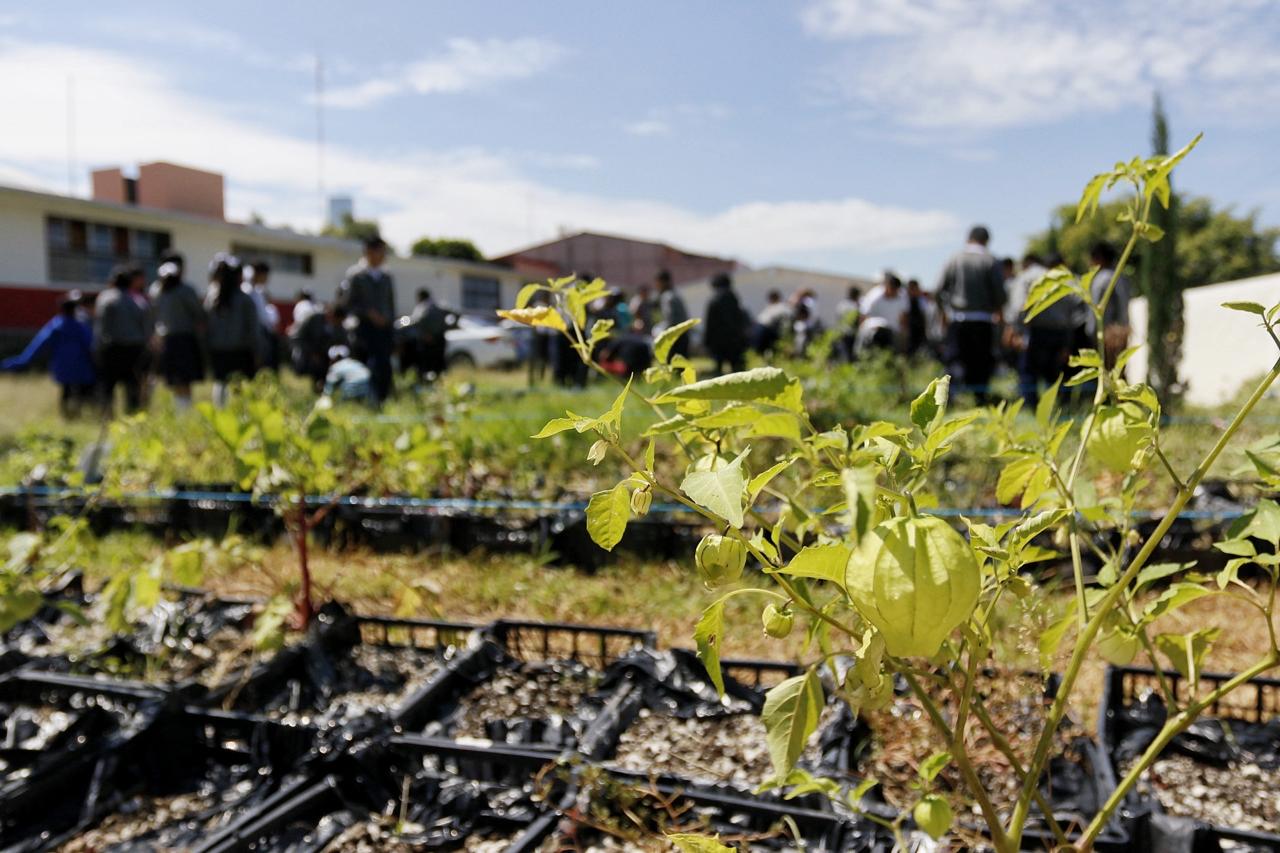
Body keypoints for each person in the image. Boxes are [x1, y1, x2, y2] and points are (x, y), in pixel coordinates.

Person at [936, 225, 1007, 403]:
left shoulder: (955, 259)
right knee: (981, 363)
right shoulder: (991, 260)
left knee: (955, 361)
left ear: (968, 238)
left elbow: (938, 289)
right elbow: (1000, 294)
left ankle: (948, 400)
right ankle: (980, 398)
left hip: (959, 319)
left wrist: (943, 312)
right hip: (984, 321)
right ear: (987, 241)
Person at [2, 290, 95, 417]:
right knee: (81, 392)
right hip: (82, 365)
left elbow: (39, 345)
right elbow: (90, 344)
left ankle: (66, 415)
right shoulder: (81, 326)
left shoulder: (56, 325)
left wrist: (20, 361)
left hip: (63, 366)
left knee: (66, 391)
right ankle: (78, 413)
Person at [1010, 252, 1080, 406]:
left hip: (1036, 331)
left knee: (1029, 372)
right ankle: (1058, 407)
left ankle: (1031, 407)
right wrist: (1068, 343)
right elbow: (1074, 313)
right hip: (1060, 333)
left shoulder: (1028, 277)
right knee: (1055, 374)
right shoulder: (1065, 280)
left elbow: (1018, 307)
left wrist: (1016, 330)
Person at [338, 236, 396, 403]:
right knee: (362, 365)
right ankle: (359, 400)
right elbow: (347, 303)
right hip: (363, 329)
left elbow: (391, 304)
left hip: (383, 330)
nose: (383, 256)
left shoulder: (387, 277)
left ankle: (382, 399)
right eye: (380, 252)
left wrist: (389, 323)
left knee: (384, 366)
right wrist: (368, 313)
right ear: (369, 252)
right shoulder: (356, 275)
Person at [93, 265, 151, 414]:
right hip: (135, 349)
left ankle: (107, 416)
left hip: (112, 348)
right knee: (132, 385)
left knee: (108, 386)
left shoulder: (105, 298)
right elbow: (145, 327)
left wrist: (97, 347)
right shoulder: (138, 301)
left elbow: (101, 326)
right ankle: (133, 415)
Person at [203, 254, 259, 408]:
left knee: (220, 383)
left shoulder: (212, 299)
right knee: (240, 386)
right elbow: (253, 330)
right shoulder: (245, 299)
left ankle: (221, 414)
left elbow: (207, 328)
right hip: (241, 351)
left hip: (218, 350)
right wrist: (258, 351)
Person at [151, 260, 205, 409]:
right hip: (183, 339)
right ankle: (183, 409)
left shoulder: (157, 292)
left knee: (178, 379)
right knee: (182, 379)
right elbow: (199, 313)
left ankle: (182, 409)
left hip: (172, 339)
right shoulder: (185, 290)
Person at [1087, 241, 1132, 370]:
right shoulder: (1121, 277)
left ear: (1099, 259)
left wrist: (1092, 332)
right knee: (1118, 373)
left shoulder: (1102, 279)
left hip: (1107, 335)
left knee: (1106, 374)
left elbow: (1095, 311)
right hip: (1119, 334)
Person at [703, 273, 749, 375]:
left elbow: (710, 323)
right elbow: (740, 319)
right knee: (738, 371)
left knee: (718, 371)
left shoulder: (714, 300)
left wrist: (706, 341)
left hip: (718, 341)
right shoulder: (734, 298)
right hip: (735, 340)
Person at [408, 288, 454, 379]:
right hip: (440, 339)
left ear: (420, 297)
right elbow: (450, 319)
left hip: (426, 340)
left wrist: (425, 334)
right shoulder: (440, 306)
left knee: (425, 365)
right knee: (439, 364)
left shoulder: (421, 307)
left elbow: (416, 321)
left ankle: (426, 382)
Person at [243, 261, 280, 373]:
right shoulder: (247, 290)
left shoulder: (258, 291)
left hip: (262, 333)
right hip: (253, 334)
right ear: (258, 274)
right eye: (266, 275)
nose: (267, 279)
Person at [857, 272, 909, 352]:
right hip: (872, 329)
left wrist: (903, 333)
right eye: (892, 289)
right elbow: (864, 314)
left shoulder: (902, 298)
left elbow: (903, 318)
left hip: (891, 331)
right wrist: (862, 329)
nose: (893, 292)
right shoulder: (875, 295)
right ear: (887, 286)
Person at [653, 270, 690, 359]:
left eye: (658, 282)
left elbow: (671, 319)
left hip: (675, 336)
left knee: (673, 366)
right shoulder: (675, 294)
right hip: (682, 333)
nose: (656, 285)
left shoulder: (667, 297)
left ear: (663, 282)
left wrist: (660, 330)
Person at [752, 290, 791, 357]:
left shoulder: (773, 307)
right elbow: (786, 324)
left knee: (759, 352)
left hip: (759, 329)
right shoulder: (780, 307)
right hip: (765, 330)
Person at [904, 279, 933, 357]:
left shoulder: (922, 300)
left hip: (920, 328)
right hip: (909, 328)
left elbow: (925, 314)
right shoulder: (903, 299)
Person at [835, 286, 861, 362]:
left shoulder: (842, 304)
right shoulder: (854, 305)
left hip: (844, 333)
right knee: (848, 356)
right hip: (849, 334)